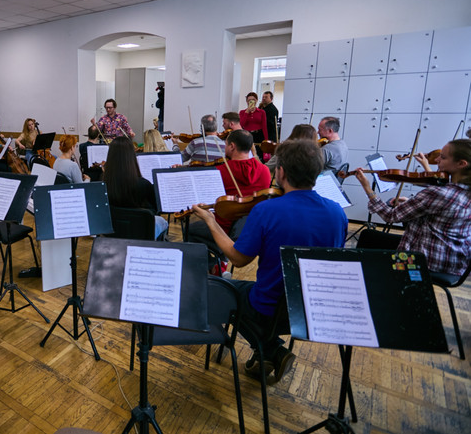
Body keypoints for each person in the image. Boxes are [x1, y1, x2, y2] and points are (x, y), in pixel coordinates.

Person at [192, 139, 347, 381]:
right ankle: (266, 352)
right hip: (310, 308)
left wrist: (211, 222)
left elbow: (238, 259)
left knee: (218, 288)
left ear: (281, 171)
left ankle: (271, 349)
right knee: (244, 291)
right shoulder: (337, 212)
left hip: (269, 306)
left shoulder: (267, 210)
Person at [353, 139, 471, 276]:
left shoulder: (439, 193)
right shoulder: (464, 191)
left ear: (461, 164)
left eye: (443, 157)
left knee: (368, 240)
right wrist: (412, 203)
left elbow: (390, 216)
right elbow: (444, 212)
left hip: (427, 262)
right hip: (455, 261)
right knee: (371, 237)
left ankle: (379, 284)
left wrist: (367, 188)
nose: (437, 159)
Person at [187, 130, 272, 271]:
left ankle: (215, 264)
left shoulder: (220, 171)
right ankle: (222, 262)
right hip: (249, 229)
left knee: (191, 229)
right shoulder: (264, 170)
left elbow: (209, 200)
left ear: (232, 146)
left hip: (223, 227)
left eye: (225, 144)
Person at [103, 137, 167, 240]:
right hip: (140, 233)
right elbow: (156, 209)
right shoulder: (143, 184)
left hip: (113, 232)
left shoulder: (103, 183)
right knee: (162, 221)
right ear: (132, 156)